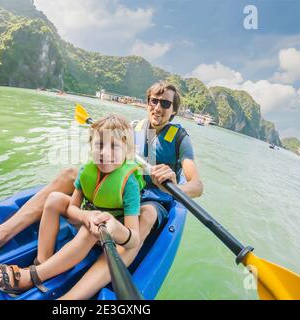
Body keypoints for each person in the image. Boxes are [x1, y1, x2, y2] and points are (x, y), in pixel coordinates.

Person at [58, 81, 204, 299]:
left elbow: (197, 186)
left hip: (155, 199)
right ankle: (0, 233)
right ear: (147, 103)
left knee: (147, 214)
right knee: (70, 173)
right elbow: (111, 143)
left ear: (173, 110)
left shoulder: (180, 139)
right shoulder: (134, 127)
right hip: (127, 188)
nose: (158, 107)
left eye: (165, 103)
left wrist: (174, 182)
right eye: (153, 101)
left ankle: (71, 298)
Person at [0, 115, 145, 295]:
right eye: (99, 145)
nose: (105, 153)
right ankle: (42, 262)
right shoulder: (87, 171)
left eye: (114, 146)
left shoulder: (129, 185)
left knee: (90, 229)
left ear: (128, 152)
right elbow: (71, 208)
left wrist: (110, 227)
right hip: (83, 220)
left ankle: (35, 276)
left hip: (104, 237)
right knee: (54, 199)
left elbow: (134, 239)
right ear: (91, 145)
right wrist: (85, 216)